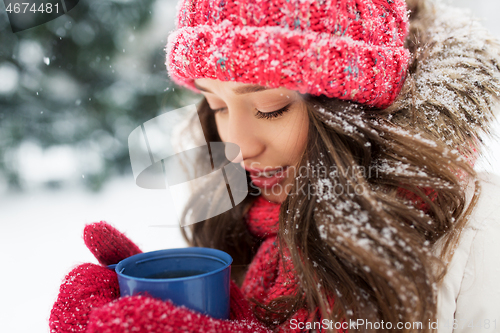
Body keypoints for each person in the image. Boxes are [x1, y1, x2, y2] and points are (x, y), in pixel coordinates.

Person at [49, 0, 500, 332]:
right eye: (218, 106)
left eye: (269, 107)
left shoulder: (477, 231)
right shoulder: (238, 219)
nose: (237, 148)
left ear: (352, 108)